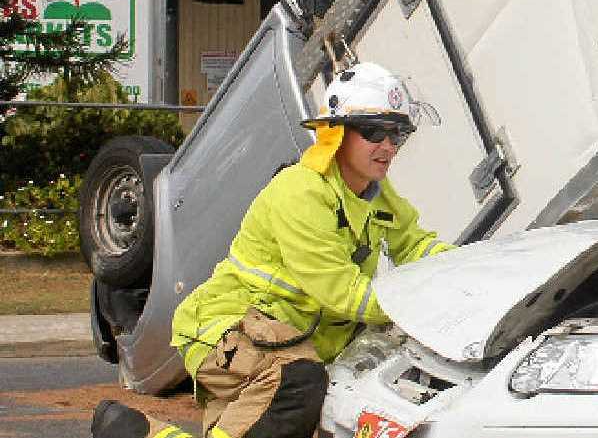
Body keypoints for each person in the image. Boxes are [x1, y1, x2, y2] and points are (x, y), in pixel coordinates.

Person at [91, 62, 454, 438]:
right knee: (298, 382)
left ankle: (130, 432)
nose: (388, 146)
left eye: (397, 134)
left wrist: (466, 271)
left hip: (281, 346)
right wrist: (423, 305)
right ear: (336, 134)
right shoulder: (302, 193)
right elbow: (342, 293)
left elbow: (415, 243)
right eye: (373, 131)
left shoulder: (376, 194)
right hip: (228, 330)